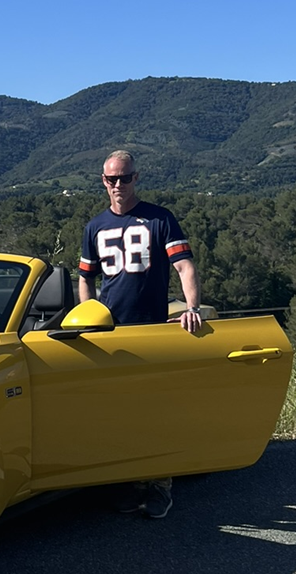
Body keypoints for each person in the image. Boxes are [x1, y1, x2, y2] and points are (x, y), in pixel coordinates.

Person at [78, 149, 202, 519]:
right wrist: (87, 317)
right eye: (111, 178)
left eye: (125, 177)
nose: (118, 184)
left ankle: (160, 485)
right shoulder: (94, 227)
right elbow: (86, 277)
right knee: (120, 413)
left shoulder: (160, 219)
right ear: (103, 181)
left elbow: (184, 266)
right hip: (110, 335)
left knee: (156, 412)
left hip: (152, 332)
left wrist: (192, 308)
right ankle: (129, 482)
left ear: (136, 178)